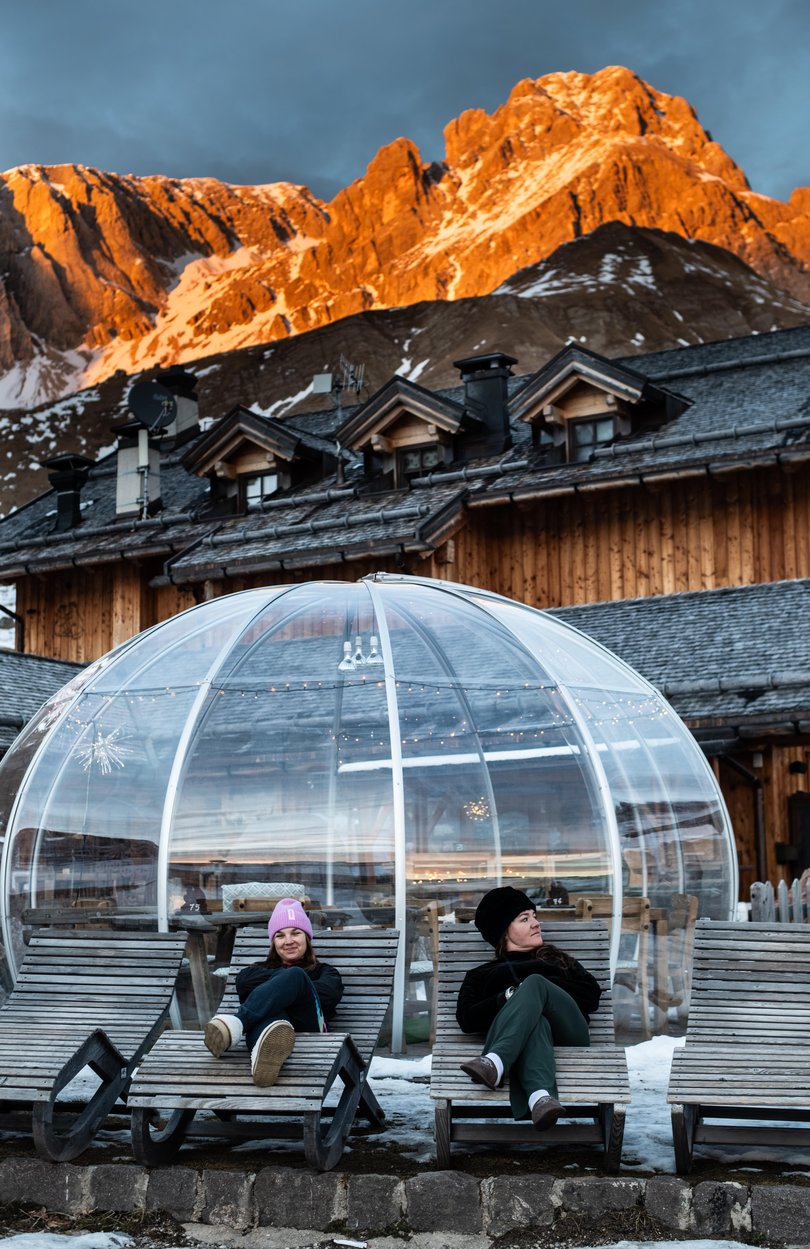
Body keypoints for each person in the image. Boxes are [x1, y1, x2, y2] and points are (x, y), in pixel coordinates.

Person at [456, 885, 601, 1131]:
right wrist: (508, 996)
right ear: (504, 932)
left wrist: (538, 990)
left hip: (569, 1034)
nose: (536, 923)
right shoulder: (481, 975)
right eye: (525, 919)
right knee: (537, 1023)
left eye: (534, 916)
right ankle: (540, 1099)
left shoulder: (557, 960)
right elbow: (467, 1019)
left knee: (533, 983)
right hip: (528, 1040)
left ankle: (495, 1062)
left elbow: (591, 997)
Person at [203, 896, 344, 1086]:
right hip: (272, 1029)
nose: (288, 941)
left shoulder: (325, 971)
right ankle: (261, 1059)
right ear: (273, 942)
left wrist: (292, 985)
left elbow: (329, 995)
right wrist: (282, 987)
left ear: (307, 938)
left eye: (295, 933)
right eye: (280, 935)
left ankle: (237, 1023)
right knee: (273, 1020)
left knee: (294, 977)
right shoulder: (254, 971)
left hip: (309, 1026)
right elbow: (243, 983)